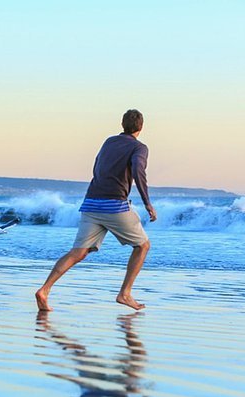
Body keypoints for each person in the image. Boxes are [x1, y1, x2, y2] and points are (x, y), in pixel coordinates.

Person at [36, 109, 157, 311]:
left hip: (91, 202)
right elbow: (138, 170)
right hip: (114, 205)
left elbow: (97, 166)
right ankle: (125, 294)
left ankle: (44, 289)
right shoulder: (140, 147)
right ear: (141, 127)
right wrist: (147, 203)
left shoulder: (109, 141)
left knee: (78, 252)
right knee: (143, 246)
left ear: (122, 124)